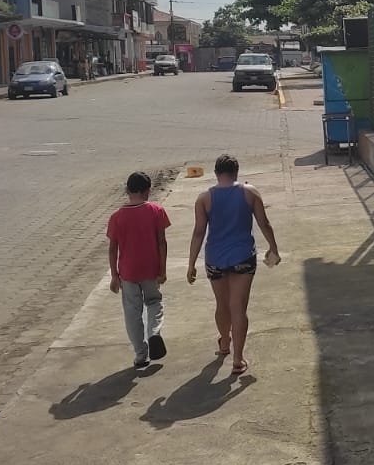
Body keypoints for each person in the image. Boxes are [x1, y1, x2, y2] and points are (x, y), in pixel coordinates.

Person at [187, 154, 280, 376]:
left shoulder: (204, 199)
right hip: (243, 257)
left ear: (216, 173)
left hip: (215, 259)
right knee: (238, 307)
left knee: (222, 304)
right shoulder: (250, 193)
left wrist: (191, 264)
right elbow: (264, 223)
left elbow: (198, 232)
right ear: (236, 172)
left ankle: (224, 342)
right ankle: (238, 359)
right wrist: (273, 247)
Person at [106, 171, 172, 369]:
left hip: (128, 272)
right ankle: (154, 332)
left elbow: (113, 248)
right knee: (154, 302)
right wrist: (163, 270)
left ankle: (140, 354)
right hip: (151, 269)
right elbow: (162, 242)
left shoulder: (116, 217)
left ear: (127, 190)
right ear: (148, 191)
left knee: (132, 312)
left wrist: (114, 275)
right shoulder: (156, 211)